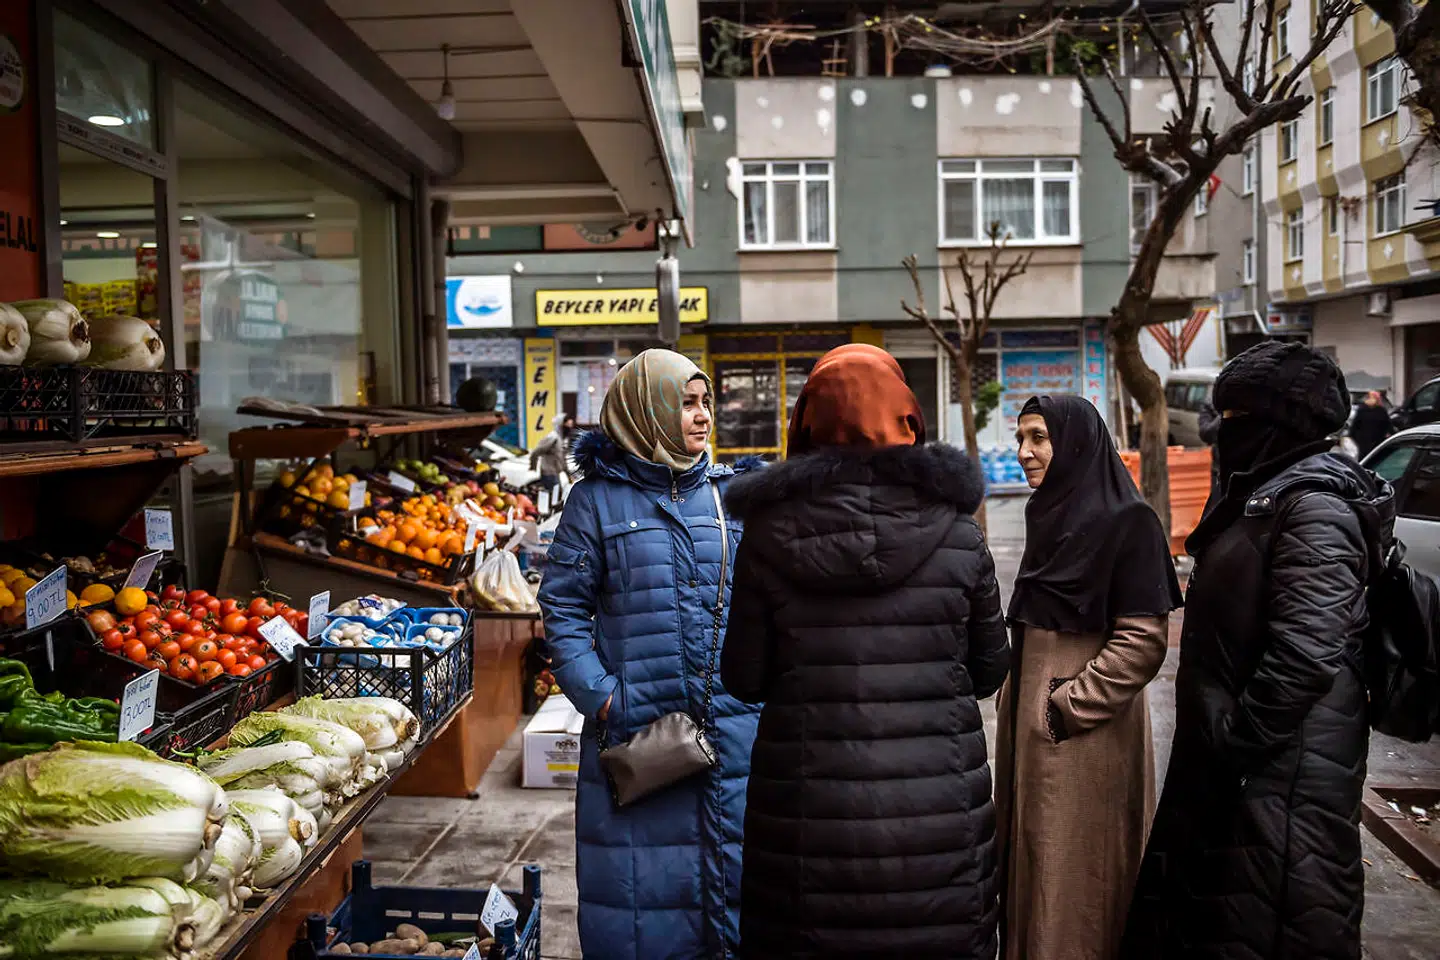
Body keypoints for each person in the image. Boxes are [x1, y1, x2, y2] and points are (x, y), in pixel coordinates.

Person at [719, 344, 1010, 959]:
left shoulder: (768, 536)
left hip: (806, 826)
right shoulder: (960, 532)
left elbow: (743, 677)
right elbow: (989, 669)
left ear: (807, 423)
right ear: (907, 416)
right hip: (937, 825)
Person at [1122, 342, 1393, 960]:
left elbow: (1304, 653)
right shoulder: (1269, 492)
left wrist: (1236, 741)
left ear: (1279, 421)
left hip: (1283, 779)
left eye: (1236, 416)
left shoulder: (1315, 507)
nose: (1221, 431)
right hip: (1247, 775)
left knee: (1275, 927)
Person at [537, 349, 762, 959]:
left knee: (737, 894)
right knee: (643, 908)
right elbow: (561, 607)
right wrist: (606, 697)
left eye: (705, 402)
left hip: (736, 738)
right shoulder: (597, 502)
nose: (701, 416)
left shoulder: (733, 497)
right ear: (647, 410)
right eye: (686, 403)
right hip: (641, 737)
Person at [996, 395, 1183, 960]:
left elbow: (1143, 640)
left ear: (1075, 442)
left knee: (1076, 877)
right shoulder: (1049, 514)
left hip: (1084, 741)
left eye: (1038, 438)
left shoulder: (1130, 522)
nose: (1024, 453)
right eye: (1021, 439)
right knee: (1034, 869)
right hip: (1032, 738)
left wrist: (1065, 706)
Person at [528, 412, 575, 493]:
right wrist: (533, 467)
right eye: (567, 425)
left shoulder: (561, 439)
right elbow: (535, 452)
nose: (569, 428)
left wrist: (568, 475)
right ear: (561, 424)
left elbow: (562, 459)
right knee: (554, 497)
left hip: (555, 474)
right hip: (548, 474)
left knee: (557, 496)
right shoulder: (552, 437)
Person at [1349, 389, 1393, 459]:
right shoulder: (1380, 410)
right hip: (1375, 441)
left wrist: (1354, 437)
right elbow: (1388, 426)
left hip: (1365, 442)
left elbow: (1355, 426)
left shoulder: (1363, 409)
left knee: (1366, 459)